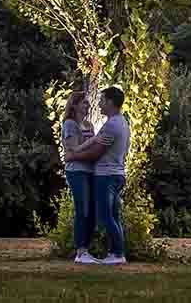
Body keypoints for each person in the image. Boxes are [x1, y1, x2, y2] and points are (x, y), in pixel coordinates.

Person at [63, 86, 130, 265]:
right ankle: (86, 250)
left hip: (106, 174)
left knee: (104, 215)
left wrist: (74, 154)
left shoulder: (111, 124)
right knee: (91, 211)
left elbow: (95, 152)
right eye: (84, 102)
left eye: (100, 100)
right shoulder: (115, 123)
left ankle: (116, 253)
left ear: (110, 102)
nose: (95, 105)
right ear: (74, 106)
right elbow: (92, 142)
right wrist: (75, 152)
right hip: (86, 172)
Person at [60, 91, 99, 264]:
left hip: (90, 170)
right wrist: (93, 144)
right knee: (82, 208)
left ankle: (86, 249)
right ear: (74, 105)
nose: (88, 106)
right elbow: (73, 149)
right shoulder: (69, 124)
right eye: (84, 103)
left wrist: (89, 151)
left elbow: (78, 151)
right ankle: (80, 250)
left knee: (91, 210)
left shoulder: (89, 124)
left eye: (88, 103)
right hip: (76, 171)